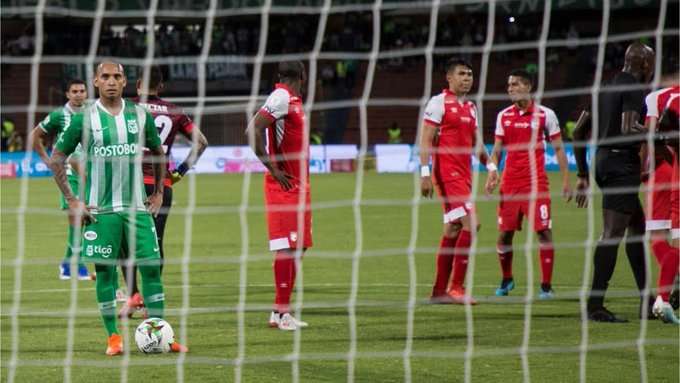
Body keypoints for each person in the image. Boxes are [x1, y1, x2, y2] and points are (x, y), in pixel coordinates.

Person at [49, 61, 187, 355]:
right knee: (106, 273)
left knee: (151, 268)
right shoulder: (83, 119)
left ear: (125, 82)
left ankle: (160, 333)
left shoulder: (139, 114)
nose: (111, 81)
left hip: (138, 208)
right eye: (105, 77)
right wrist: (73, 199)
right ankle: (113, 337)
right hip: (101, 211)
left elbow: (159, 152)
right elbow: (57, 158)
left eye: (117, 76)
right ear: (96, 82)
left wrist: (160, 191)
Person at [573, 42, 655, 322]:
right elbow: (629, 127)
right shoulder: (633, 88)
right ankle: (595, 305)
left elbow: (579, 131)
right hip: (622, 164)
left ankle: (648, 300)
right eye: (650, 64)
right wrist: (663, 134)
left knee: (637, 227)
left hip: (603, 161)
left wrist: (583, 173)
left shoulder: (603, 87)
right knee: (612, 233)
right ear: (645, 64)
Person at [118, 66, 208, 319]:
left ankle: (132, 294)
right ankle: (149, 300)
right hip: (160, 186)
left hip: (128, 183)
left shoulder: (125, 107)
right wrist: (178, 172)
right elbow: (201, 143)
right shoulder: (175, 112)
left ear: (136, 85)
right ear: (161, 87)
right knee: (154, 244)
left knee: (123, 241)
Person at [485, 69, 573, 299]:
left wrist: (566, 179)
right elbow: (496, 150)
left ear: (528, 86)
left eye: (514, 84)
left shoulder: (546, 115)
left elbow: (559, 148)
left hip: (536, 185)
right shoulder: (503, 115)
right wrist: (492, 172)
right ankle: (507, 279)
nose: (510, 89)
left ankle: (546, 285)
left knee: (543, 231)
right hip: (510, 184)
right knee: (504, 235)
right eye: (508, 85)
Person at [420, 57, 490, 305]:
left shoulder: (471, 108)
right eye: (461, 74)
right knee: (472, 222)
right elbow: (426, 139)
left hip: (465, 176)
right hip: (447, 175)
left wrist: (491, 167)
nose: (466, 78)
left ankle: (439, 292)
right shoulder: (439, 103)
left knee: (453, 228)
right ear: (449, 78)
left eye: (469, 74)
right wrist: (425, 173)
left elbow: (477, 144)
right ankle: (457, 288)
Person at [248, 61, 312, 330]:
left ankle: (278, 310)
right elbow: (252, 130)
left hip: (299, 185)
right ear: (303, 76)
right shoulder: (281, 96)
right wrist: (273, 169)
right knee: (288, 247)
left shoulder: (293, 100)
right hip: (284, 186)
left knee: (299, 246)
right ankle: (283, 312)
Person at [28, 79, 92, 281]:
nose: (79, 94)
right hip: (68, 174)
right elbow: (34, 136)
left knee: (82, 220)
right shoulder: (59, 115)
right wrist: (48, 161)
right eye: (75, 91)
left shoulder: (93, 112)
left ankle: (66, 265)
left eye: (82, 91)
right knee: (76, 218)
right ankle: (78, 266)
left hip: (89, 172)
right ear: (67, 94)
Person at [646, 89, 680, 323]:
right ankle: (664, 296)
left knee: (659, 235)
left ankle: (664, 296)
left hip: (664, 171)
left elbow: (654, 136)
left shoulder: (662, 98)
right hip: (670, 170)